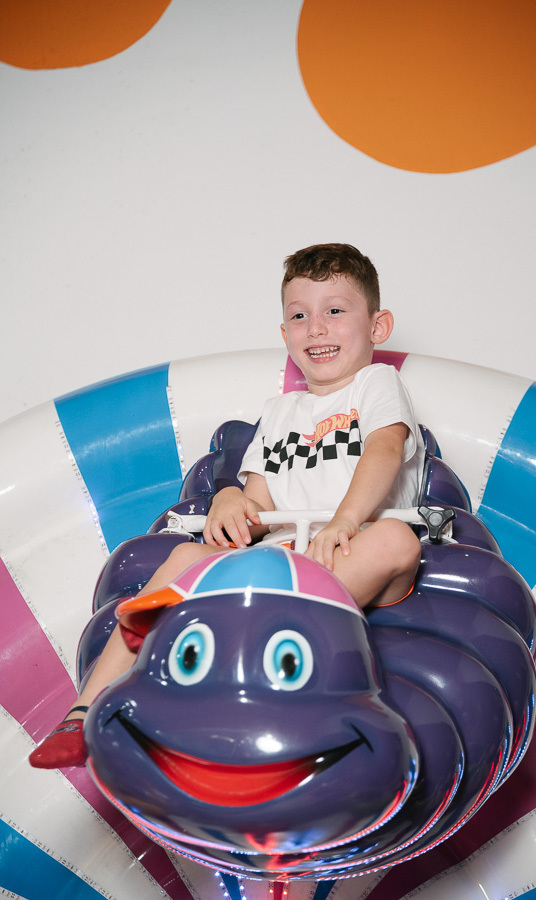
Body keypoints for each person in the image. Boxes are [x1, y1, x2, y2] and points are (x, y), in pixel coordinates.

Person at [29, 242, 424, 770]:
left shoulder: (378, 383)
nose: (317, 328)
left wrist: (346, 520)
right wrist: (231, 500)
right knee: (184, 561)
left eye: (335, 311)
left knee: (395, 541)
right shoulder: (281, 411)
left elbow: (385, 449)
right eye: (299, 316)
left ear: (377, 327)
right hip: (282, 560)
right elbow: (259, 499)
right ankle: (82, 713)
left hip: (352, 549)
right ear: (285, 336)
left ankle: (267, 620)